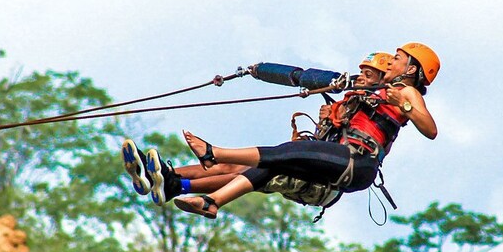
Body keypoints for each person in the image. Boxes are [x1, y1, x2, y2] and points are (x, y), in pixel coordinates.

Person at [161, 42, 439, 219]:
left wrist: (403, 105)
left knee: (283, 154)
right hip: (340, 160)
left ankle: (213, 153)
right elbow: (305, 76)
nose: (392, 61)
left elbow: (430, 129)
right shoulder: (362, 90)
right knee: (276, 163)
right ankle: (207, 199)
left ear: (412, 69)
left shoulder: (408, 92)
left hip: (358, 163)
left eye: (398, 59)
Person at [122, 52, 394, 208]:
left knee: (253, 169)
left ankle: (184, 183)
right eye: (361, 72)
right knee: (231, 167)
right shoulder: (349, 101)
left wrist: (337, 117)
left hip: (325, 185)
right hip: (315, 169)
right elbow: (302, 77)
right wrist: (258, 70)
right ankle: (164, 180)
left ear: (382, 80)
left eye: (369, 75)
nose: (362, 78)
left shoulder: (384, 102)